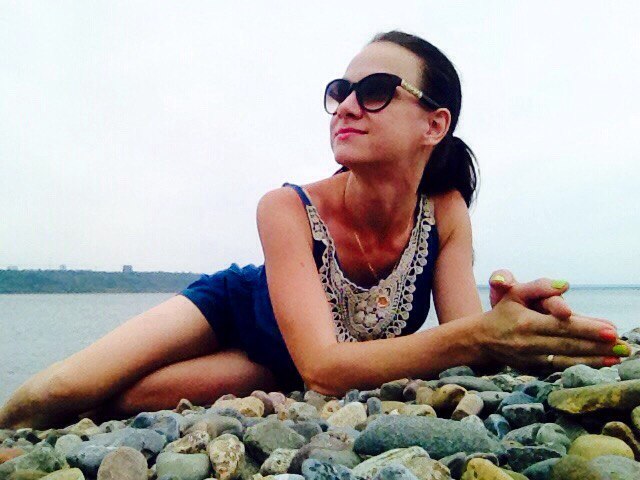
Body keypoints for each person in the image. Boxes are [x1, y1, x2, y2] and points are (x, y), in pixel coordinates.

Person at [0, 31, 627, 430]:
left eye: (375, 90)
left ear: (434, 125)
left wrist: (511, 324)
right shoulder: (285, 207)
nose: (347, 105)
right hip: (238, 311)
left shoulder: (446, 211)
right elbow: (327, 368)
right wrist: (479, 336)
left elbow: (465, 339)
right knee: (63, 387)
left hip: (278, 367)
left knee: (113, 403)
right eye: (341, 90)